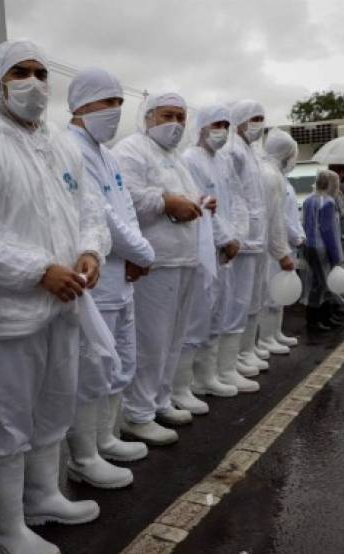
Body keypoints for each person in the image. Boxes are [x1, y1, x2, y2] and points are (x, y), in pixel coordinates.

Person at [0, 40, 111, 554]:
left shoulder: (61, 146)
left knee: (53, 408)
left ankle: (43, 498)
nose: (36, 82)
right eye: (22, 72)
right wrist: (37, 270)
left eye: (42, 73)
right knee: (7, 424)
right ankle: (8, 527)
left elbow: (90, 209)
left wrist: (90, 251)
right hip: (6, 316)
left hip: (65, 305)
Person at [65, 68, 156, 487]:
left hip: (124, 277)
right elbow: (100, 215)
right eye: (107, 102)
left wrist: (138, 253)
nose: (115, 112)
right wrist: (143, 252)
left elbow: (128, 212)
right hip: (96, 277)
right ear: (81, 104)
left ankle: (106, 437)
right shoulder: (72, 147)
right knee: (92, 367)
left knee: (119, 360)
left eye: (120, 103)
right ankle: (84, 457)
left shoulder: (107, 153)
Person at [112, 92, 203, 444]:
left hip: (183, 258)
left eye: (181, 117)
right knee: (151, 340)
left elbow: (188, 197)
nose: (176, 124)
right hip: (155, 262)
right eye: (168, 115)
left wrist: (195, 203)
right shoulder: (131, 150)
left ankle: (159, 400)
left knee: (172, 338)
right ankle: (137, 412)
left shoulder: (175, 158)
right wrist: (168, 202)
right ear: (148, 117)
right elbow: (126, 199)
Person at [178, 104, 247, 401]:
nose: (222, 132)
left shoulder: (221, 161)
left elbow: (233, 202)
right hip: (205, 248)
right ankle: (186, 382)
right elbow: (202, 206)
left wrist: (235, 237)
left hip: (224, 248)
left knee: (218, 311)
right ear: (202, 127)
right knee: (197, 315)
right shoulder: (191, 159)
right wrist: (224, 238)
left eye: (225, 126)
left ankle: (209, 375)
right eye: (216, 125)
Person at [224, 100, 294, 377]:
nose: (258, 125)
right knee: (238, 304)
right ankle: (233, 360)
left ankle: (242, 354)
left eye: (261, 119)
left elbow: (269, 215)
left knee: (252, 302)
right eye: (253, 119)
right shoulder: (235, 154)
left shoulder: (253, 157)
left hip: (256, 243)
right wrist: (281, 251)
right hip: (241, 245)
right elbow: (265, 214)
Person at [258, 128, 304, 354]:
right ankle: (265, 338)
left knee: (280, 293)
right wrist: (291, 241)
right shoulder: (270, 176)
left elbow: (290, 215)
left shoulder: (282, 179)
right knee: (271, 295)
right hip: (274, 247)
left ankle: (275, 333)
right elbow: (277, 217)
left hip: (284, 244)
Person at [302, 169, 344, 330]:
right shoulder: (328, 202)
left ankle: (317, 318)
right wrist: (336, 256)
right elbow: (329, 231)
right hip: (322, 247)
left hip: (309, 247)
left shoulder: (308, 200)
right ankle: (319, 320)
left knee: (315, 282)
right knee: (325, 284)